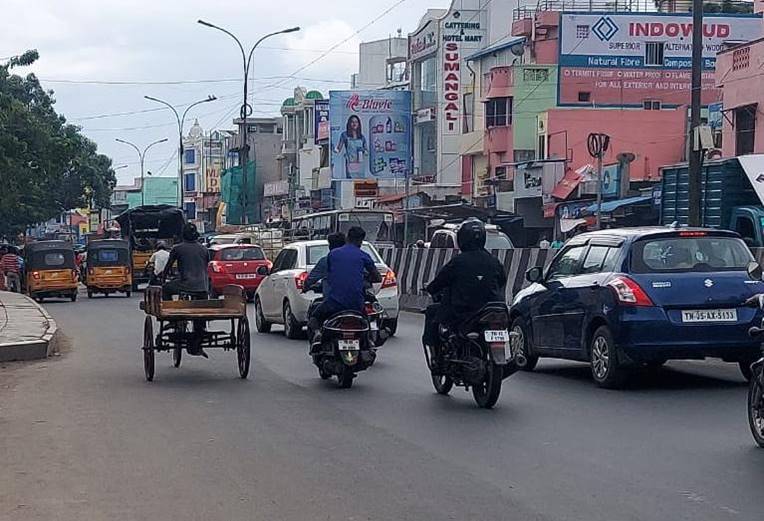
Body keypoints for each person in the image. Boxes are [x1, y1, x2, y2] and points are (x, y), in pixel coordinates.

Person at [423, 219, 507, 356]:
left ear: (462, 239)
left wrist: (430, 288)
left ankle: (435, 356)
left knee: (432, 312)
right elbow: (502, 280)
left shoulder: (458, 262)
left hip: (463, 312)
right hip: (492, 309)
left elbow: (439, 282)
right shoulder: (494, 261)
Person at [309, 227, 382, 348]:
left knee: (314, 318)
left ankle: (317, 335)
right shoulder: (364, 256)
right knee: (366, 323)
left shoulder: (332, 255)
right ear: (361, 241)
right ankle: (369, 342)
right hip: (357, 304)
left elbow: (331, 276)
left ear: (348, 238)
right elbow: (377, 278)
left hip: (334, 302)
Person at [162, 223, 210, 356]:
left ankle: (172, 319)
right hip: (202, 287)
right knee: (202, 308)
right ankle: (200, 329)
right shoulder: (204, 249)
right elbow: (205, 266)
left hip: (185, 284)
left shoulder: (178, 248)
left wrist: (162, 279)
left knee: (166, 289)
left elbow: (168, 267)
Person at [304, 232, 346, 342]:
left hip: (332, 303)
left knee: (314, 317)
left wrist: (306, 286)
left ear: (330, 246)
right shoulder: (357, 258)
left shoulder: (326, 260)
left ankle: (317, 334)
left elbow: (310, 279)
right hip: (356, 302)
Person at [334, 115, 368, 179]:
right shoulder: (344, 135)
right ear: (349, 124)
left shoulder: (362, 137)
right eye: (352, 122)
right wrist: (332, 148)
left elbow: (366, 151)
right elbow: (338, 149)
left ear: (359, 124)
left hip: (360, 164)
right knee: (351, 181)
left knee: (360, 181)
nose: (354, 124)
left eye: (356, 122)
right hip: (350, 162)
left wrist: (363, 151)